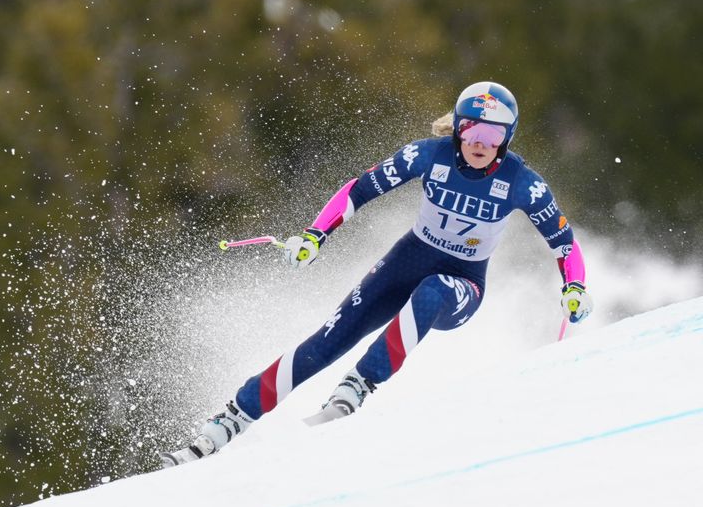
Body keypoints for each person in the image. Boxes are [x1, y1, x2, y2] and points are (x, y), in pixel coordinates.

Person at [160, 81, 593, 467]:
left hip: (463, 283)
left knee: (432, 291)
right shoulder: (429, 154)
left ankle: (357, 387)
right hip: (408, 258)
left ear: (506, 138)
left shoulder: (523, 182)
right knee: (329, 339)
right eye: (471, 131)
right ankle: (230, 420)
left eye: (493, 134)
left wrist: (575, 288)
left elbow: (564, 242)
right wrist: (316, 235)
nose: (480, 143)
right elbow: (361, 187)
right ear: (458, 128)